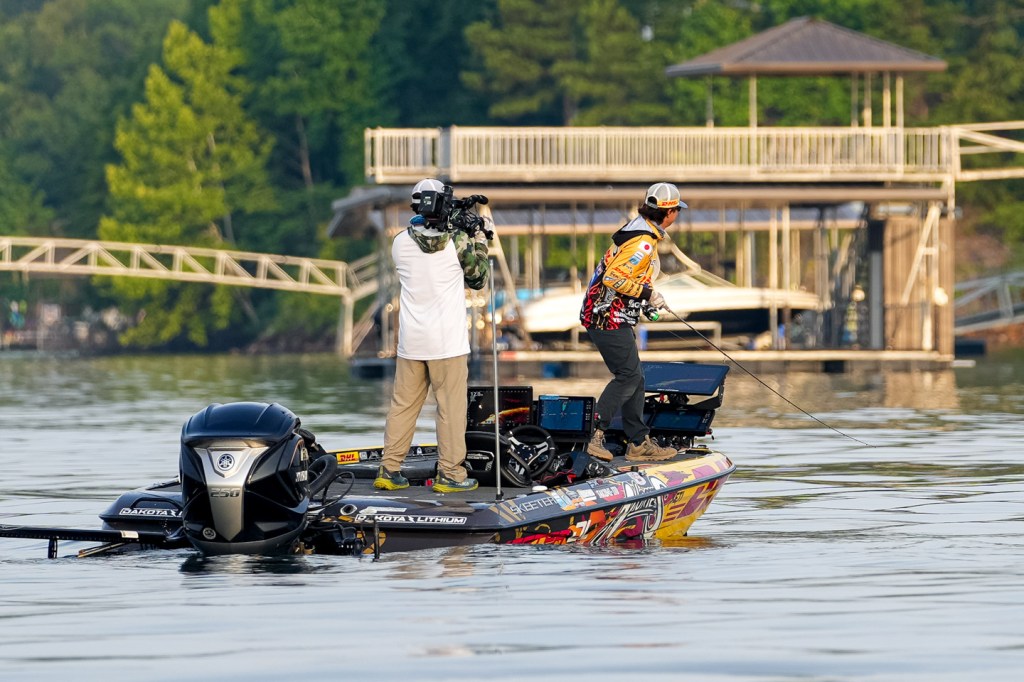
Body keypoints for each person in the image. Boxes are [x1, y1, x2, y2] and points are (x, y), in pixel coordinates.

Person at [374, 178, 490, 493]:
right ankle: (451, 475)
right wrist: (479, 236)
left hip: (411, 343)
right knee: (450, 410)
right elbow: (478, 278)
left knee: (402, 407)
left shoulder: (399, 242)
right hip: (447, 344)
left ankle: (389, 469)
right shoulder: (458, 241)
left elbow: (425, 238)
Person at [580, 182, 686, 463]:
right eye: (677, 210)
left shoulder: (640, 229)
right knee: (628, 376)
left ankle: (638, 442)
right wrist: (649, 294)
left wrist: (645, 302)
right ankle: (594, 435)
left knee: (635, 376)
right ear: (669, 212)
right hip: (606, 317)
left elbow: (629, 278)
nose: (677, 215)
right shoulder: (643, 241)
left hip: (611, 314)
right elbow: (613, 278)